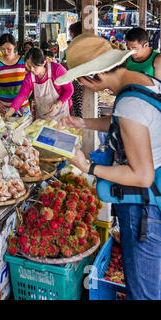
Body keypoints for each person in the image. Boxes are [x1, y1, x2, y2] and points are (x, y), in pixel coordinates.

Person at [56, 34, 161, 300]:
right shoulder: (144, 82)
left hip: (147, 212)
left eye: (81, 80)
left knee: (145, 292)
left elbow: (142, 175)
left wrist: (87, 166)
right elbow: (129, 126)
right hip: (153, 203)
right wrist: (86, 123)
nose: (81, 85)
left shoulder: (129, 104)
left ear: (94, 76)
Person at [5, 48, 73, 121]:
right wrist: (9, 112)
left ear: (44, 63)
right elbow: (22, 95)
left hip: (61, 112)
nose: (31, 70)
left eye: (34, 67)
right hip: (43, 115)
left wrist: (57, 104)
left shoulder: (57, 70)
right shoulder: (29, 77)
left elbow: (69, 90)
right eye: (29, 66)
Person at [0, 33, 29, 116]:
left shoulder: (23, 61)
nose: (5, 52)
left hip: (22, 105)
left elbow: (31, 80)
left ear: (15, 46)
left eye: (9, 49)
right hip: (3, 106)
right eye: (2, 49)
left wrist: (27, 95)